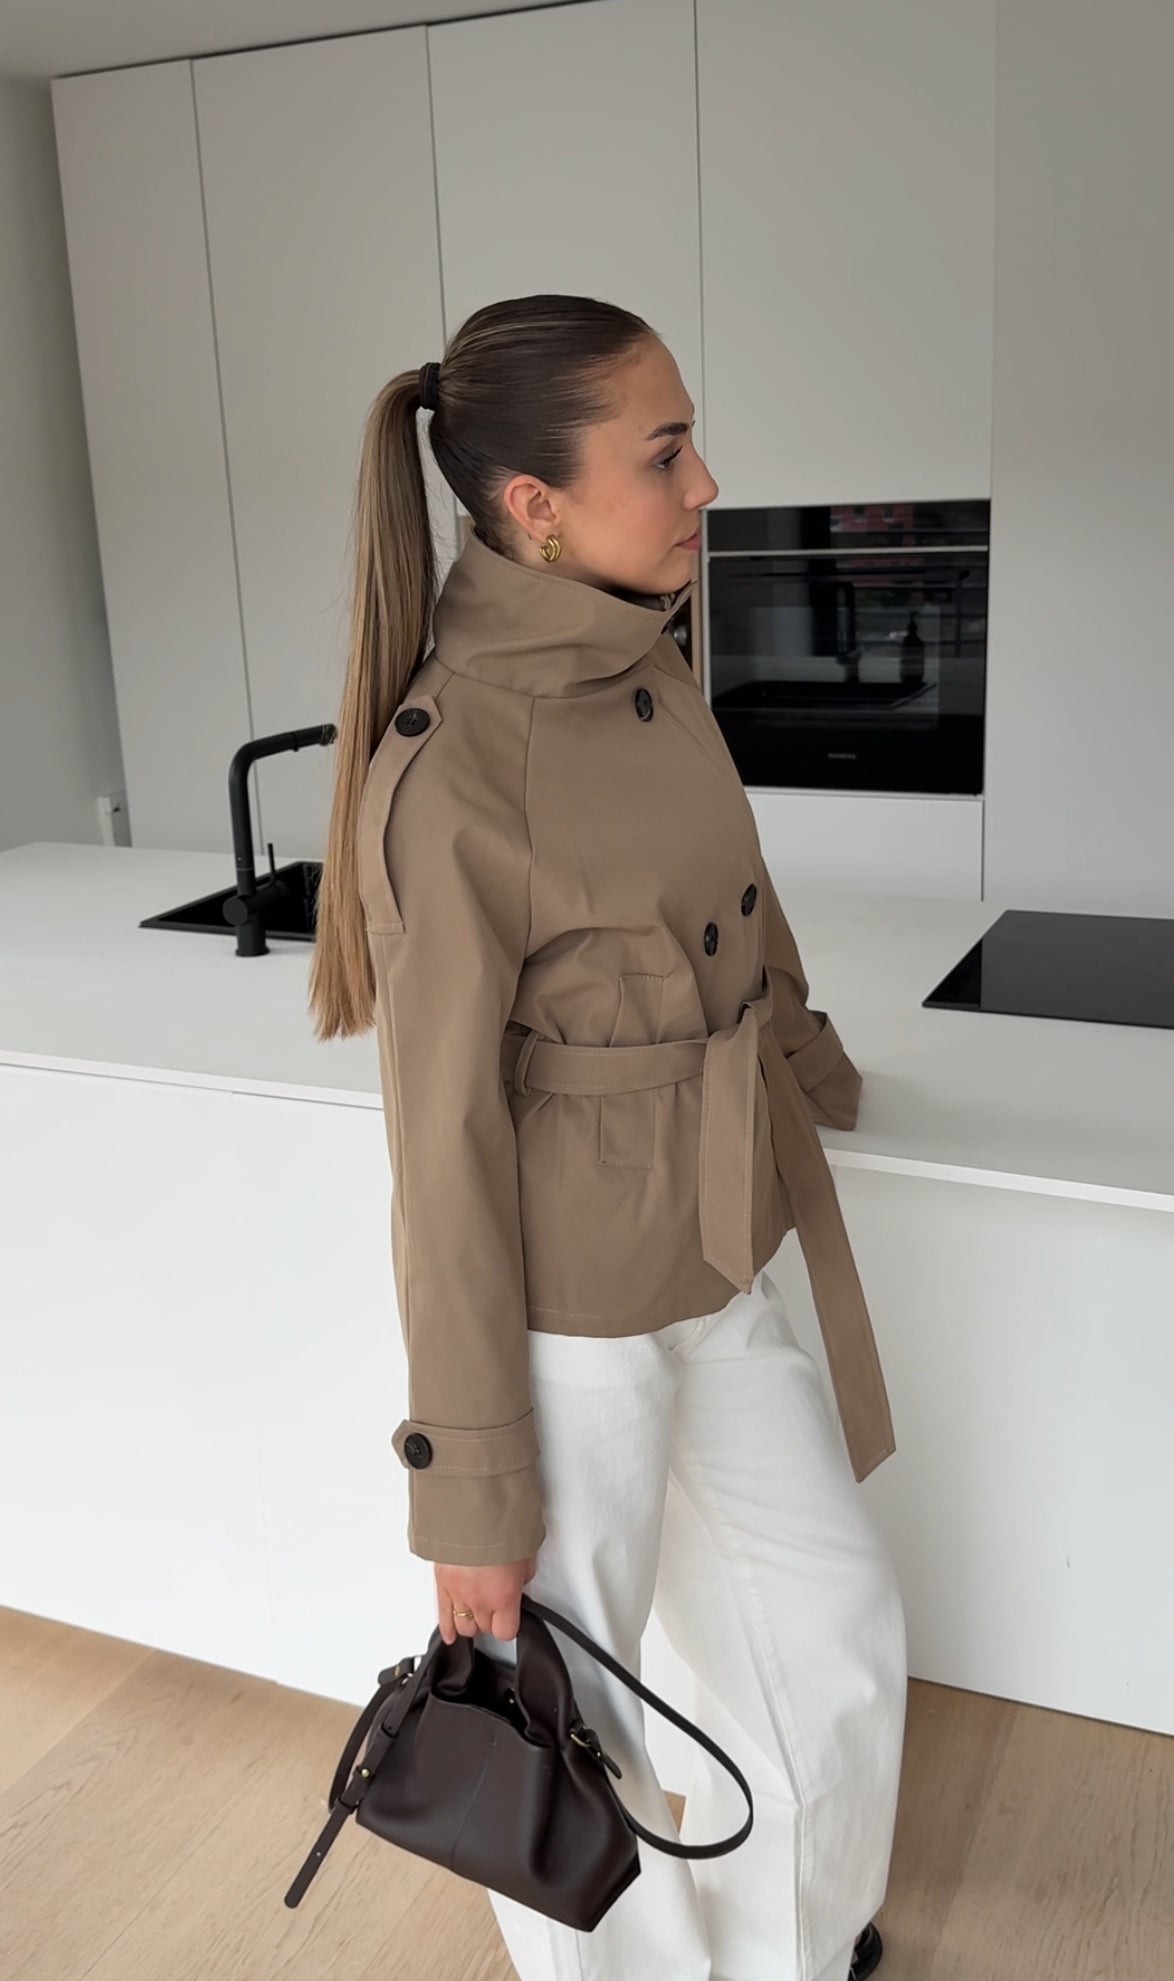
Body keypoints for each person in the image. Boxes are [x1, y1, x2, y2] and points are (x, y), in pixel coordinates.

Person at [308, 295, 906, 1981]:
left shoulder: (646, 660)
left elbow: (742, 903)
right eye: (664, 452)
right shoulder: (451, 768)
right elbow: (438, 1158)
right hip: (570, 1321)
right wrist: (471, 1484)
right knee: (565, 1728)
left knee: (833, 1634)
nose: (704, 482)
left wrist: (810, 1062)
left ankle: (795, 1959)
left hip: (718, 1247)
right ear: (536, 508)